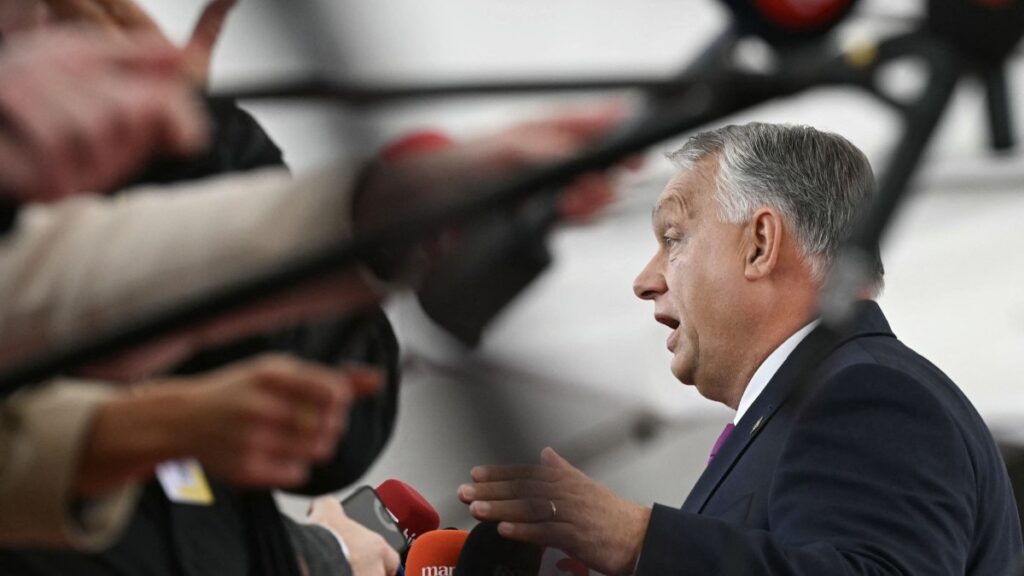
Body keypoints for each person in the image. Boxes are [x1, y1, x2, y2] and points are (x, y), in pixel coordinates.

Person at [459, 123, 1024, 575]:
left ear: (759, 244)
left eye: (673, 238)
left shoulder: (867, 394)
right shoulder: (811, 403)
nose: (645, 281)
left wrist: (634, 540)